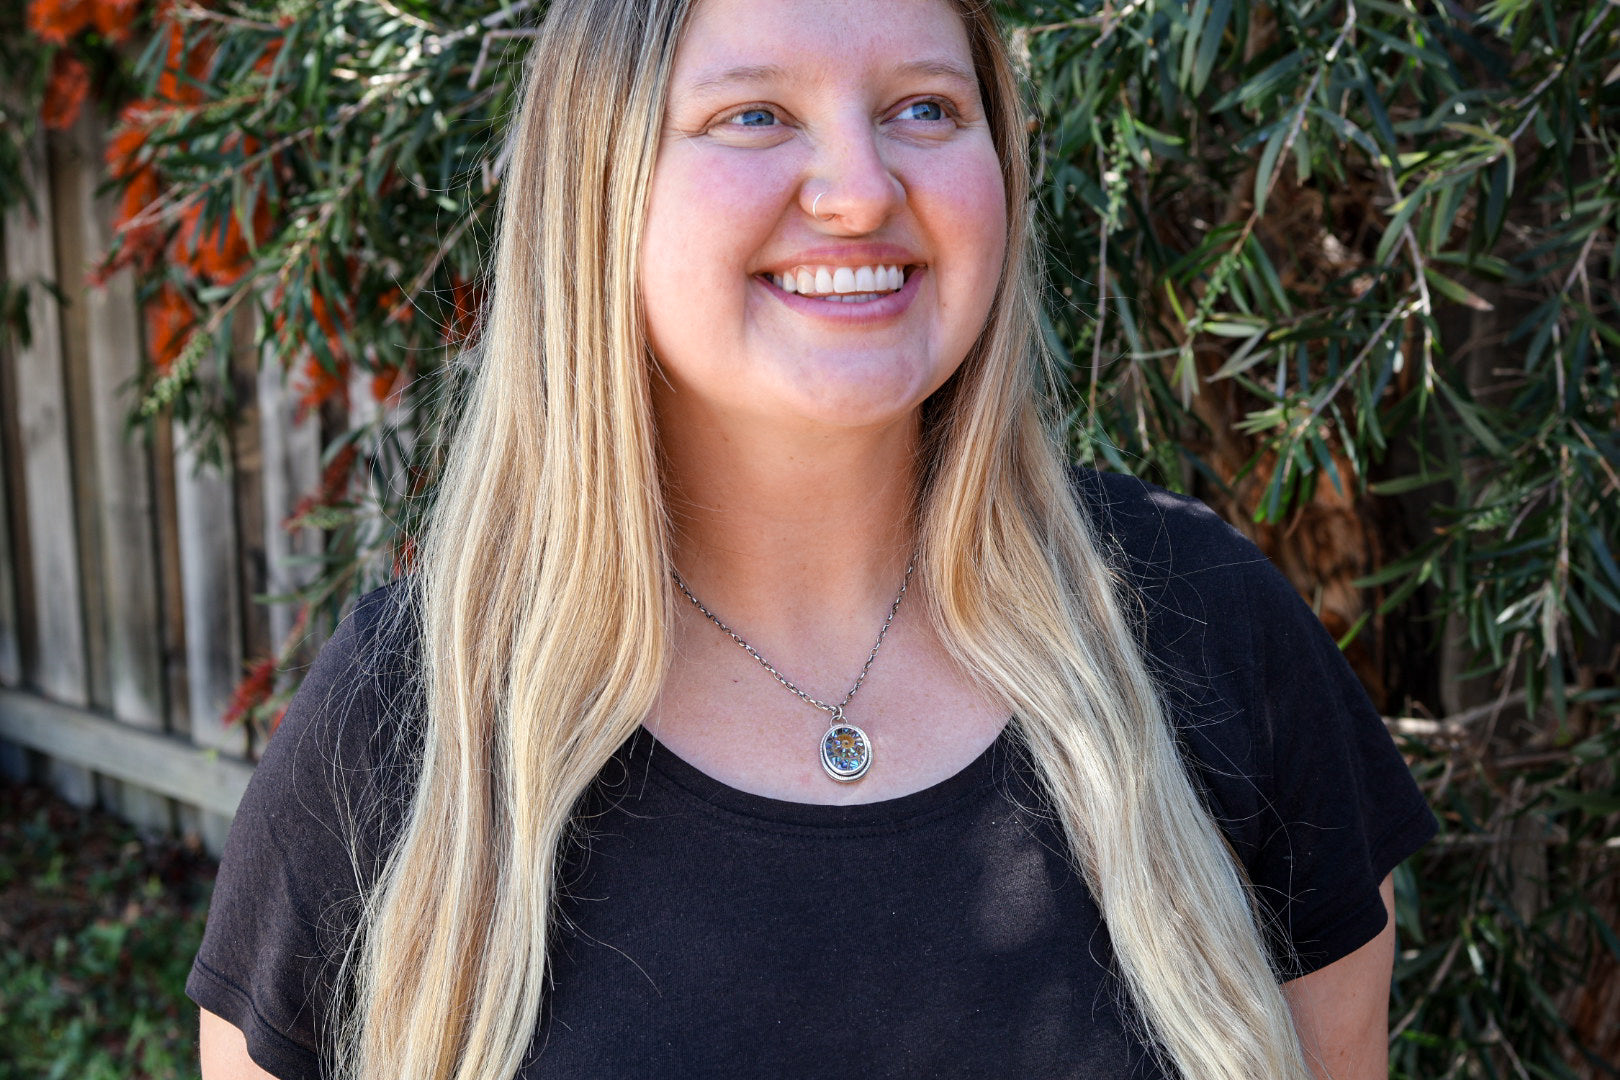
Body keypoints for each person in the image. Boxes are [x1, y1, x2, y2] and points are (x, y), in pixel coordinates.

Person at [189, 1, 1437, 1077]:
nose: (858, 190)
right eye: (755, 116)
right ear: (598, 186)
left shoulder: (1200, 626)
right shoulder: (423, 715)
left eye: (926, 109)